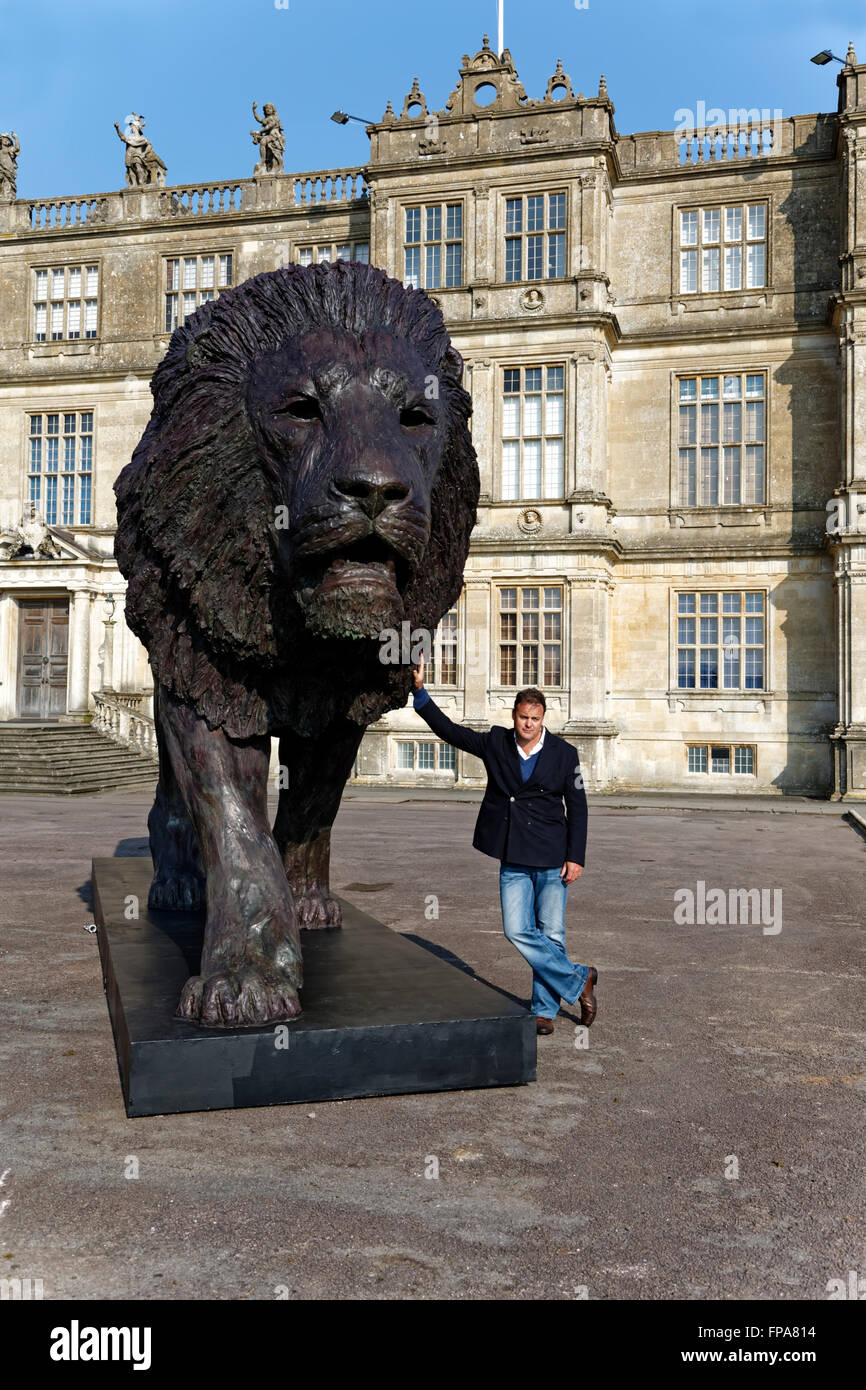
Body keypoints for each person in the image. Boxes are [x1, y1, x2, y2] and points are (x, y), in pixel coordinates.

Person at [411, 653, 597, 1036]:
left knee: (552, 934)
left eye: (535, 719)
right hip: (513, 855)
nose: (528, 725)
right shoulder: (496, 743)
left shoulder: (566, 755)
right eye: (523, 718)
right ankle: (580, 980)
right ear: (514, 715)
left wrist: (575, 857)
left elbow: (578, 809)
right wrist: (420, 693)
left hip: (551, 857)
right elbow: (451, 732)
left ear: (543, 719)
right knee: (516, 930)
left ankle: (544, 1010)